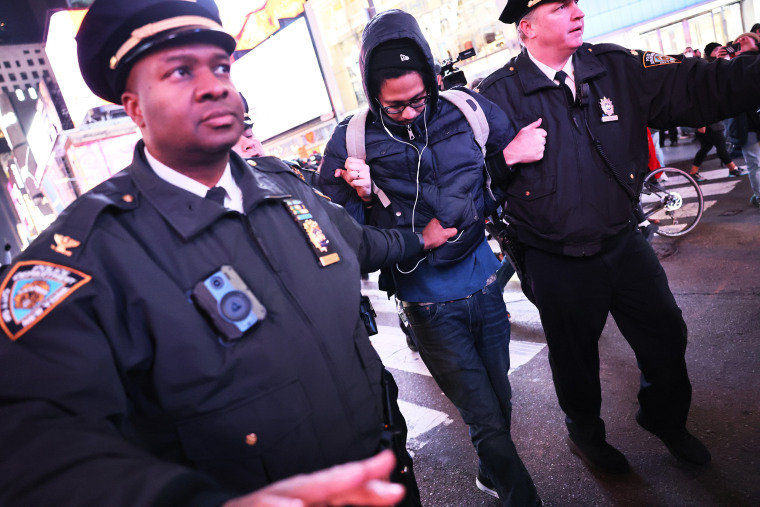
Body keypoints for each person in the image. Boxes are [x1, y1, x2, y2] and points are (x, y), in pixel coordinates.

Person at [0, 1, 461, 505]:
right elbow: (30, 441)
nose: (216, 84)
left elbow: (361, 244)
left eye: (221, 67)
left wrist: (421, 238)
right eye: (179, 71)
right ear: (134, 106)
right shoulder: (89, 255)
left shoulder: (286, 189)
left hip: (384, 476)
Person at [478, 0, 760, 476]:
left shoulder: (615, 67)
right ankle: (585, 434)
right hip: (554, 258)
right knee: (576, 363)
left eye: (575, 1)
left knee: (667, 336)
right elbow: (468, 178)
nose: (576, 10)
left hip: (623, 242)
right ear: (526, 27)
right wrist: (505, 157)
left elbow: (699, 83)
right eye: (559, 5)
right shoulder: (496, 95)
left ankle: (664, 419)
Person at [318, 9, 545, 506]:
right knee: (483, 415)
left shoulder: (469, 112)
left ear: (434, 79)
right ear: (371, 92)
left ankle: (491, 469)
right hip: (427, 303)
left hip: (485, 286)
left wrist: (509, 159)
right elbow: (334, 236)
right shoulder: (350, 139)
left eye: (418, 100)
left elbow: (501, 180)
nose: (408, 113)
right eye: (393, 106)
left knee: (499, 399)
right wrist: (353, 193)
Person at [726, 32, 760, 207]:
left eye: (745, 38)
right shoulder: (732, 64)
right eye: (737, 40)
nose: (740, 40)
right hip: (746, 123)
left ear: (756, 42)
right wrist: (719, 61)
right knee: (754, 163)